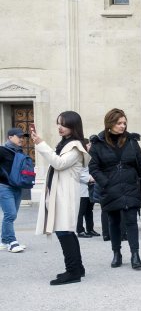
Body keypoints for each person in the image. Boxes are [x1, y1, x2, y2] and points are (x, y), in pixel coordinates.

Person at [31, 111, 90, 285]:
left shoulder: (75, 146)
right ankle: (77, 269)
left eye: (63, 124)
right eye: (58, 123)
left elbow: (58, 163)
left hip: (66, 194)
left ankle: (73, 272)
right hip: (61, 193)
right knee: (66, 232)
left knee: (65, 231)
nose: (60, 127)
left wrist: (41, 144)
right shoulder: (66, 143)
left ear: (73, 126)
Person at [89, 108, 141, 269]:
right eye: (119, 123)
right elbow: (94, 168)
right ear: (110, 124)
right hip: (110, 188)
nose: (122, 126)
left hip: (130, 185)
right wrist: (105, 183)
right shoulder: (98, 143)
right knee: (113, 222)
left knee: (131, 221)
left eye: (124, 123)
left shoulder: (131, 141)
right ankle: (117, 253)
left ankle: (135, 254)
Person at [1, 127, 29, 253]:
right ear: (10, 137)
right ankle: (12, 242)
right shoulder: (2, 150)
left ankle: (4, 241)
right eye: (19, 137)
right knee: (10, 214)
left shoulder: (20, 152)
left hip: (17, 187)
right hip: (4, 187)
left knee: (12, 215)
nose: (21, 139)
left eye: (23, 137)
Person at [76, 147, 99, 238]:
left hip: (90, 187)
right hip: (82, 188)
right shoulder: (78, 158)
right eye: (88, 144)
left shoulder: (89, 157)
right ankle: (80, 230)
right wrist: (89, 178)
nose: (90, 146)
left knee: (89, 210)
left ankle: (90, 229)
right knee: (81, 211)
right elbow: (77, 173)